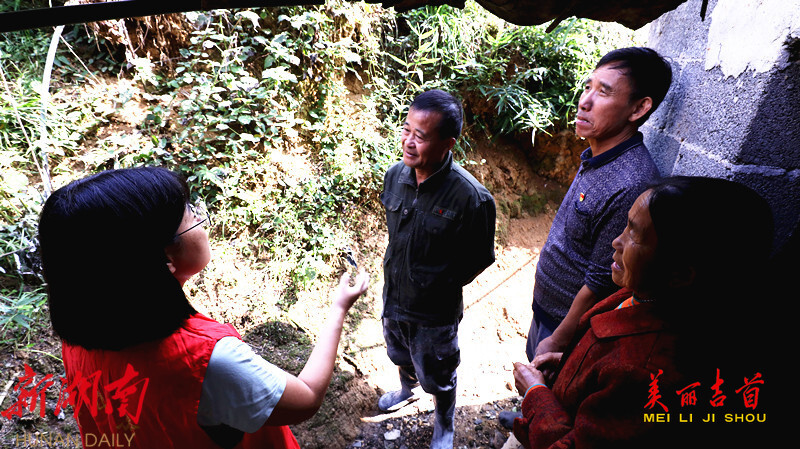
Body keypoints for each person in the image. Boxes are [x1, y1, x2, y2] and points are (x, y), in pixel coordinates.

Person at [38, 166, 369, 449]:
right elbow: (307, 398)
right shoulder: (206, 361)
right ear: (164, 257)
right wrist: (339, 308)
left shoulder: (81, 340)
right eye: (187, 213)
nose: (198, 216)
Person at [511, 176, 774, 448]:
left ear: (680, 275)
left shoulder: (646, 373)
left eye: (634, 234)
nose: (616, 242)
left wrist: (536, 395)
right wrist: (575, 364)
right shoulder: (646, 293)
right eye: (626, 226)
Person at [500, 46, 671, 429]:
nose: (585, 100)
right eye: (588, 86)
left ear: (639, 108)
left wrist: (560, 338)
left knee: (559, 396)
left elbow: (602, 279)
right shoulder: (598, 155)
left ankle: (534, 425)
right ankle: (529, 416)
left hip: (569, 325)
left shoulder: (630, 182)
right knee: (538, 385)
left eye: (604, 92)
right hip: (548, 309)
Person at [378, 89, 496, 448]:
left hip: (434, 313)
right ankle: (407, 390)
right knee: (399, 353)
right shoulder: (395, 175)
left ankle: (444, 423)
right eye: (406, 130)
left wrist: (435, 282)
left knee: (438, 374)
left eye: (421, 135)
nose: (409, 142)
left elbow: (478, 258)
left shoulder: (471, 198)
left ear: (448, 143)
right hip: (394, 296)